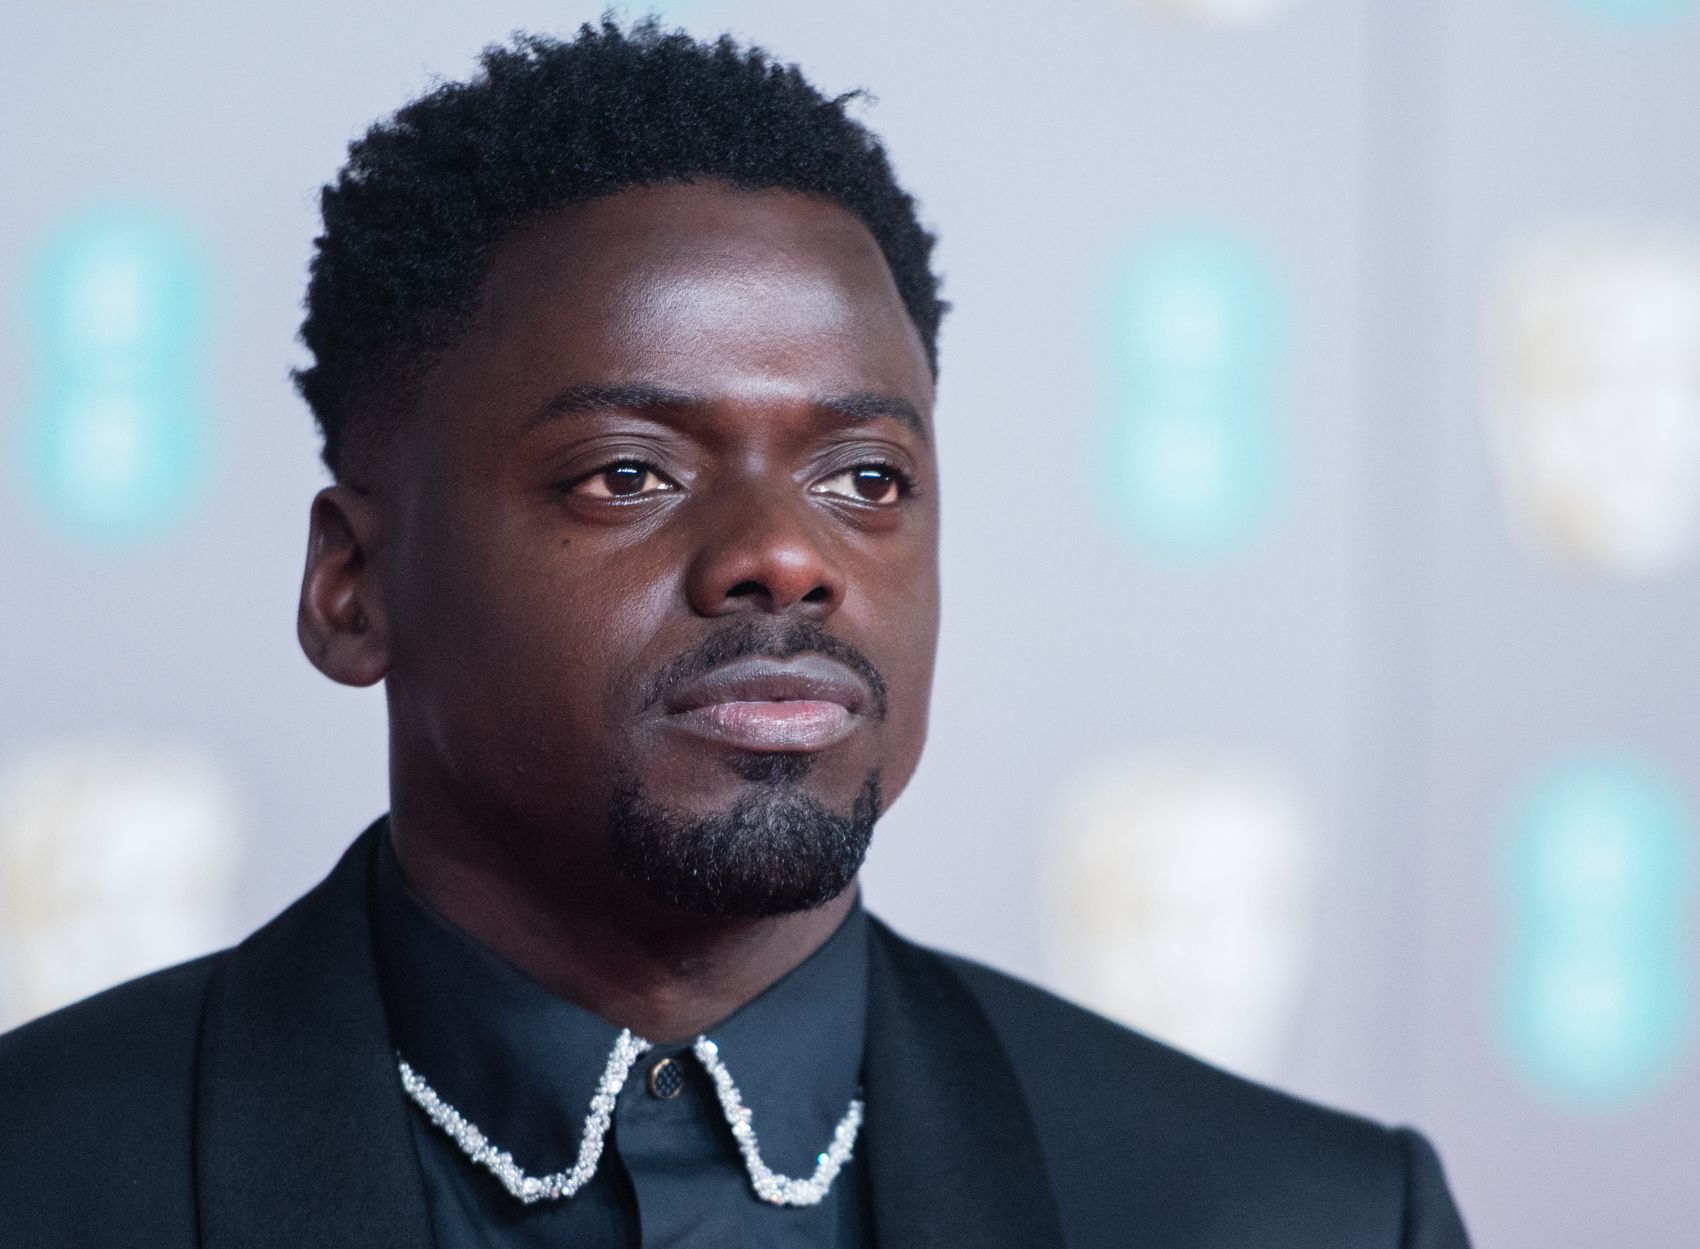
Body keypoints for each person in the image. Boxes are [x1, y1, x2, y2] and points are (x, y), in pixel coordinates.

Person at [0, 20, 1470, 1248]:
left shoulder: (1302, 1215)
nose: (787, 553)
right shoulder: (49, 1178)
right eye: (628, 473)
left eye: (865, 481)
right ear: (351, 587)